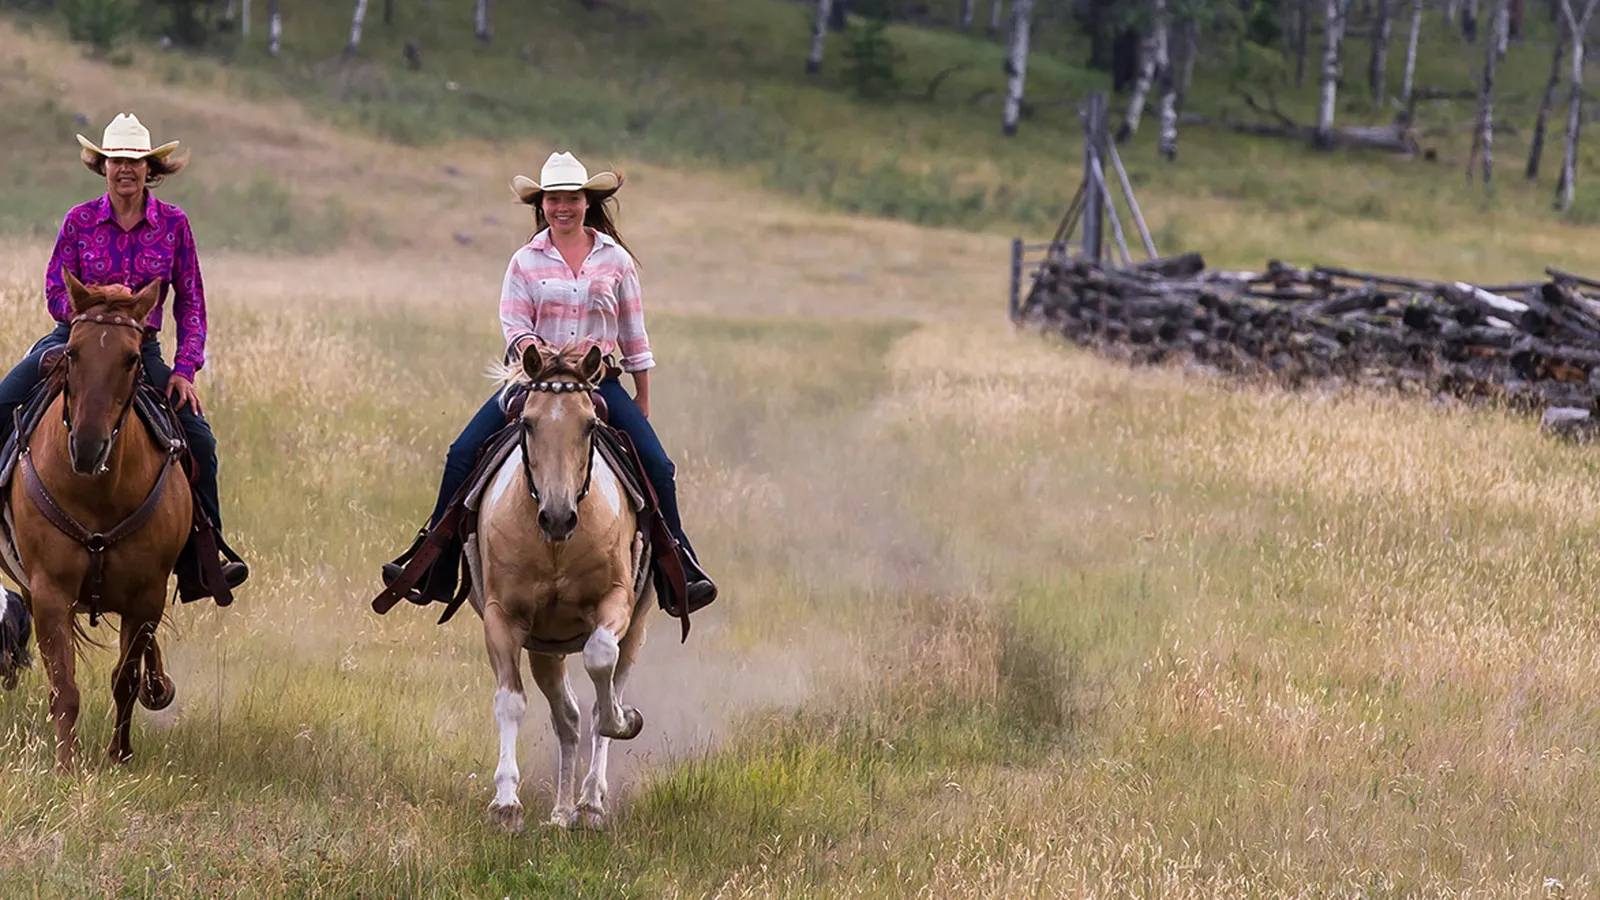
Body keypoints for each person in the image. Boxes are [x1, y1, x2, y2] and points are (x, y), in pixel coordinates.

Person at [381, 151, 717, 610]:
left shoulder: (616, 260)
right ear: (541, 205)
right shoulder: (525, 261)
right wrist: (535, 356)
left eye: (572, 198)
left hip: (598, 385)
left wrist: (641, 396)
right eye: (553, 199)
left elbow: (633, 333)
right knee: (462, 453)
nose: (563, 207)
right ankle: (432, 564)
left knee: (657, 467)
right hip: (533, 382)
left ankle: (680, 568)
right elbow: (514, 325)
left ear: (587, 202)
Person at [0, 112, 248, 597]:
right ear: (103, 166)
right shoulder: (79, 220)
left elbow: (191, 301)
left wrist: (184, 370)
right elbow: (55, 290)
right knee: (4, 400)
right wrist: (95, 304)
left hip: (141, 347)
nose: (125, 169)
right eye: (116, 159)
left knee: (200, 442)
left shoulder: (174, 225)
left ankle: (204, 556)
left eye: (134, 160)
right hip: (74, 337)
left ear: (150, 168)